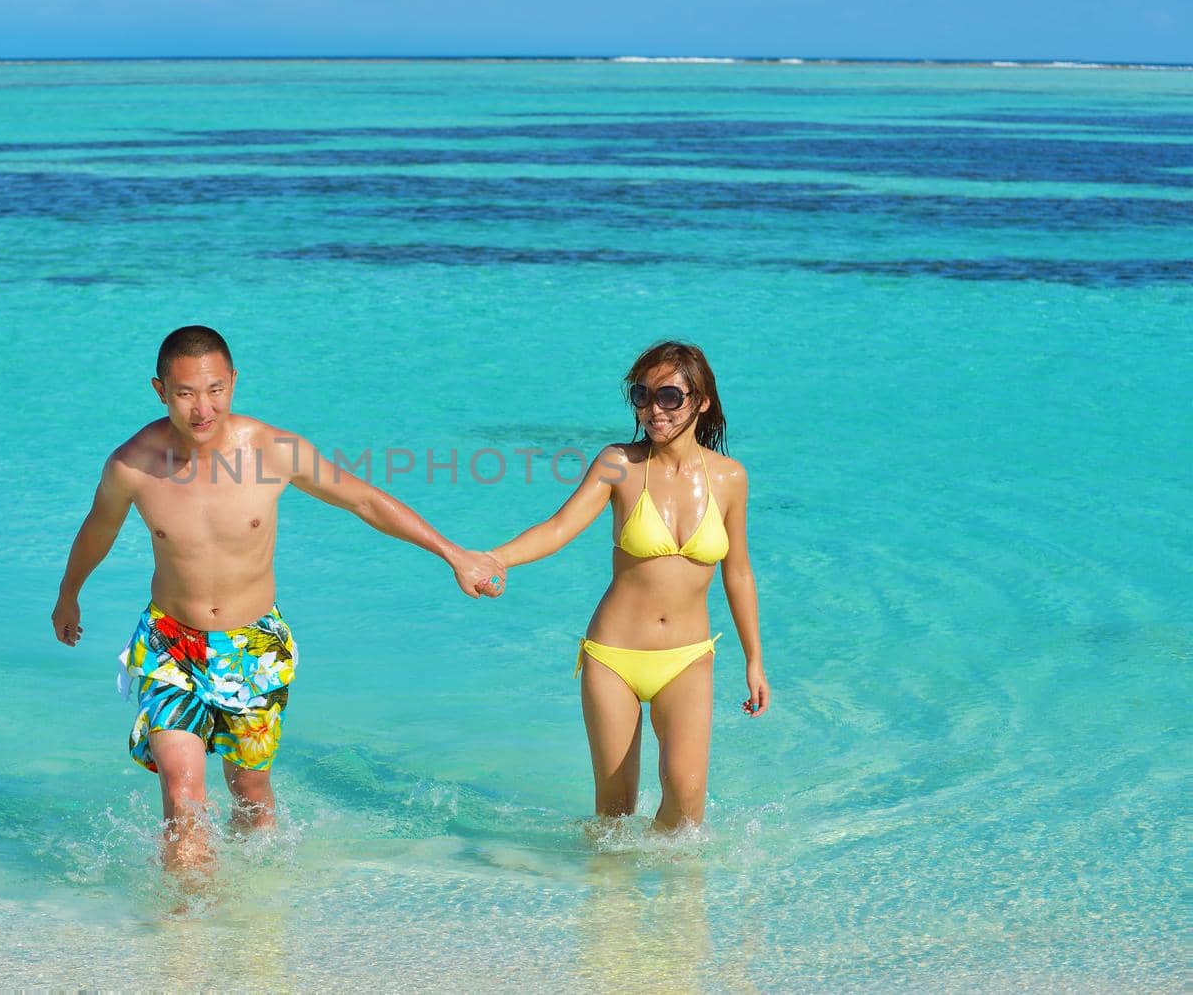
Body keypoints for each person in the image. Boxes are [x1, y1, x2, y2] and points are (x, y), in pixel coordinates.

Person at [51, 325, 505, 874]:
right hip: (171, 644)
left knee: (251, 794)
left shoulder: (272, 451)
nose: (203, 408)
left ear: (234, 383)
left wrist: (454, 554)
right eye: (186, 393)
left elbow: (363, 500)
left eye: (216, 389)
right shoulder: (132, 465)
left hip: (254, 646)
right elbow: (99, 529)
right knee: (182, 790)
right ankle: (185, 940)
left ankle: (257, 921)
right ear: (160, 391)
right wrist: (68, 594)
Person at [490, 341, 769, 831]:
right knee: (614, 817)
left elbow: (739, 572)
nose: (652, 410)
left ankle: (682, 906)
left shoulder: (730, 479)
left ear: (701, 401)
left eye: (669, 397)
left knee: (686, 811)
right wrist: (494, 558)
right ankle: (610, 904)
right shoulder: (619, 463)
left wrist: (754, 660)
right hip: (614, 656)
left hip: (687, 657)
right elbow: (559, 528)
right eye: (642, 395)